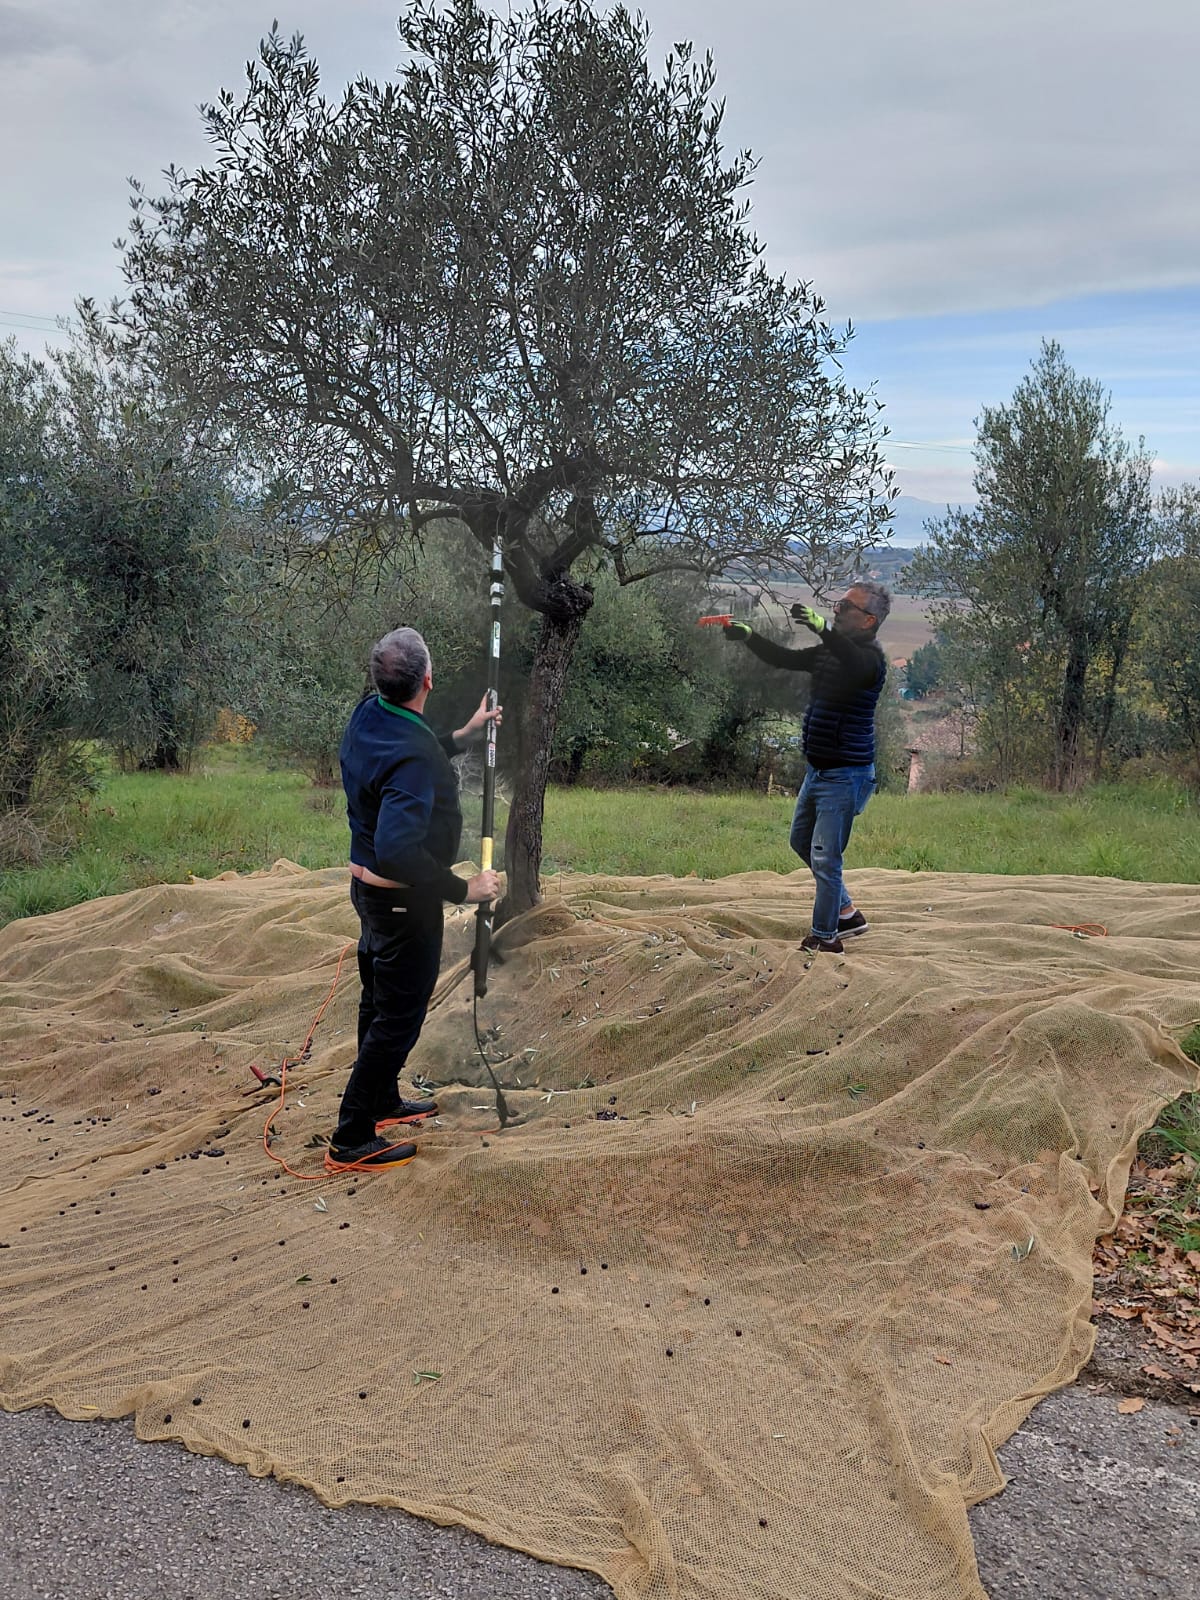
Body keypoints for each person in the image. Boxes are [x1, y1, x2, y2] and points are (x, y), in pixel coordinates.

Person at [326, 626, 501, 1172]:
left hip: (369, 896)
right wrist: (464, 889)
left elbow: (404, 758)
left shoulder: (369, 714)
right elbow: (398, 851)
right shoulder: (414, 753)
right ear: (428, 679)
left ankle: (381, 1100)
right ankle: (351, 1136)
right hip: (403, 906)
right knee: (398, 1020)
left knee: (378, 1003)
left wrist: (462, 735)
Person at [724, 581, 891, 954]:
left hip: (846, 776)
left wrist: (821, 628)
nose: (838, 609)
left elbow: (853, 661)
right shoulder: (829, 653)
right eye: (838, 603)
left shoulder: (871, 661)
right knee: (801, 842)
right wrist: (749, 635)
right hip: (818, 772)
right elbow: (785, 658)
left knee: (826, 858)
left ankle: (825, 938)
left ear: (868, 621)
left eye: (847, 606)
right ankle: (847, 914)